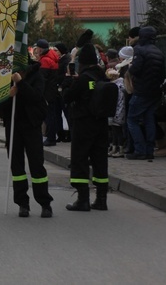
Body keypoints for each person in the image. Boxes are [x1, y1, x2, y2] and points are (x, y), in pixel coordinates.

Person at [0, 59, 54, 218]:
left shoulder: (37, 76)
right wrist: (7, 96)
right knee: (16, 167)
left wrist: (20, 83)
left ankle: (45, 203)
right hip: (13, 125)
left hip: (31, 126)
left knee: (37, 165)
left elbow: (36, 96)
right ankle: (22, 203)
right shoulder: (5, 77)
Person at [62, 43, 109, 211]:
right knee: (100, 159)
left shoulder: (83, 78)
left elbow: (67, 97)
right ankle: (101, 199)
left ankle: (83, 199)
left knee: (80, 159)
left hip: (83, 123)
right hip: (102, 124)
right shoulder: (102, 76)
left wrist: (68, 80)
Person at [126, 26, 165, 160]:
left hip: (141, 90)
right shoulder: (159, 52)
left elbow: (136, 70)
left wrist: (130, 67)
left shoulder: (140, 50)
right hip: (155, 92)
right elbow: (162, 75)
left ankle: (139, 150)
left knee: (131, 119)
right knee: (149, 120)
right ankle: (149, 150)